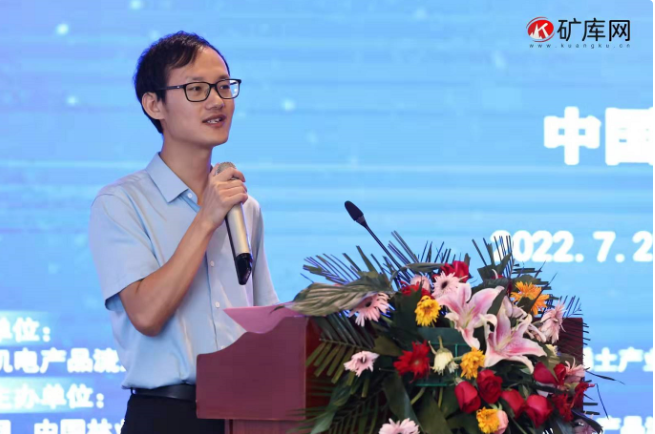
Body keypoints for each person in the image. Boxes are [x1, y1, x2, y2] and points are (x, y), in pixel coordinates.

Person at [88, 31, 279, 434]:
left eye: (224, 86)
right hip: (166, 415)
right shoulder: (121, 203)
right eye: (196, 89)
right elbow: (146, 314)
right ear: (154, 104)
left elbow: (265, 324)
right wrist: (206, 219)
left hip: (245, 416)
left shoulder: (245, 208)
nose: (217, 101)